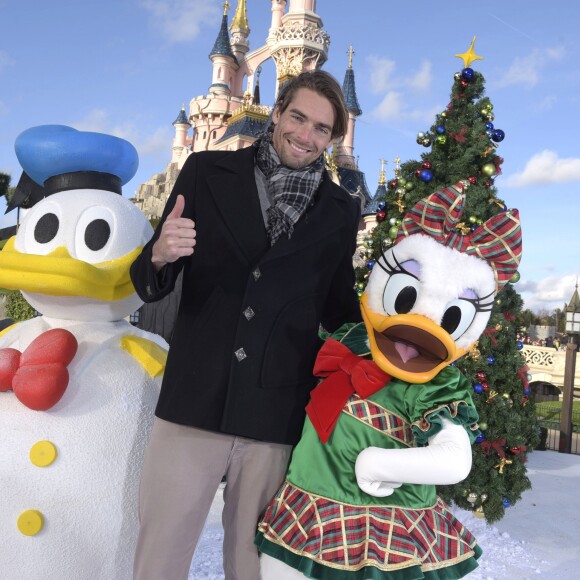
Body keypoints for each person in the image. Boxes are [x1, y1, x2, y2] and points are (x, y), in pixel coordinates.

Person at [129, 70, 362, 580]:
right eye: (298, 117)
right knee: (159, 556)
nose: (306, 135)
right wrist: (161, 255)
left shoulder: (341, 210)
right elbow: (152, 281)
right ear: (277, 113)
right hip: (195, 400)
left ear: (332, 138)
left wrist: (390, 341)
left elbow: (339, 309)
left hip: (274, 416)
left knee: (254, 564)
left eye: (322, 128)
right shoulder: (206, 173)